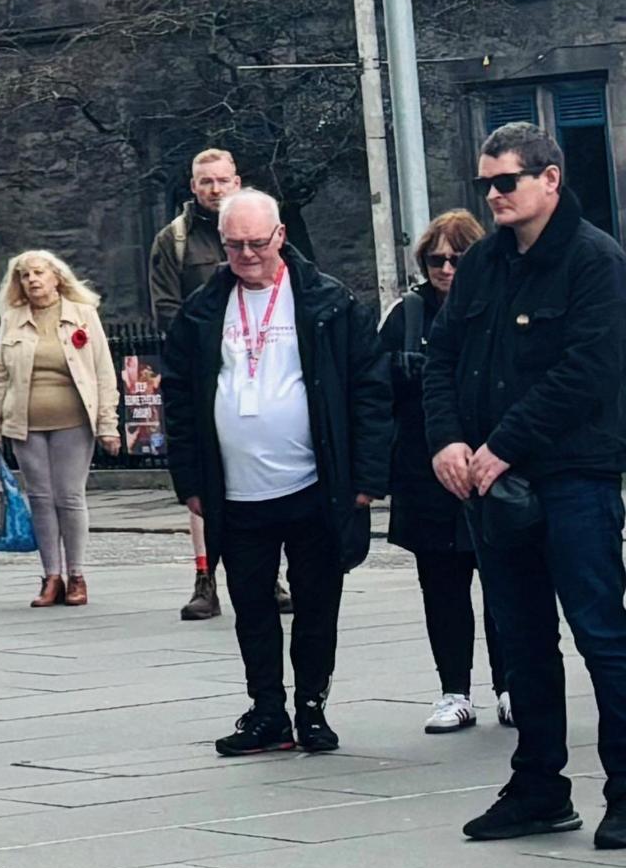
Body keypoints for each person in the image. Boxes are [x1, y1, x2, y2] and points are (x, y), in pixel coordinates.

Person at [425, 124, 626, 847]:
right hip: (491, 484)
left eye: (505, 180)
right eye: (485, 184)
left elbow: (589, 371)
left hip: (573, 475)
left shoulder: (594, 260)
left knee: (603, 636)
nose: (494, 195)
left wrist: (502, 444)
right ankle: (539, 787)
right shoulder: (481, 264)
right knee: (522, 638)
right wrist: (447, 439)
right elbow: (441, 357)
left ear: (550, 178)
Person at [157, 190, 381, 758]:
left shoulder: (329, 301)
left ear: (280, 236)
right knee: (252, 608)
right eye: (235, 245)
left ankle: (312, 708)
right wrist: (190, 482)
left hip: (313, 485)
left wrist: (366, 477)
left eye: (258, 242)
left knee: (315, 605)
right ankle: (267, 711)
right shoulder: (204, 310)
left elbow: (369, 390)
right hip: (235, 490)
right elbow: (179, 399)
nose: (248, 255)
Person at [366, 210, 491, 733]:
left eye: (456, 259)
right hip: (426, 475)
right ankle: (454, 689)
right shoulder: (408, 316)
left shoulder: (495, 307)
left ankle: (511, 685)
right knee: (441, 589)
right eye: (435, 259)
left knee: (508, 588)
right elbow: (379, 394)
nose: (445, 268)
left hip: (492, 469)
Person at [0, 251, 117, 607]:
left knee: (69, 496)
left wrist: (109, 424)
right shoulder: (12, 320)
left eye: (38, 273)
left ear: (57, 277)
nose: (32, 280)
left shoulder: (83, 316)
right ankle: (51, 577)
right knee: (41, 499)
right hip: (24, 424)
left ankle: (77, 575)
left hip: (73, 421)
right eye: (24, 275)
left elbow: (104, 372)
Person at [149, 148, 245, 622]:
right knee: (203, 476)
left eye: (222, 180)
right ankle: (205, 577)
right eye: (205, 181)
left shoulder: (259, 231)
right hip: (201, 373)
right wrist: (208, 341)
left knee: (255, 467)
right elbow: (166, 308)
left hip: (255, 371)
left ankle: (267, 574)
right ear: (193, 186)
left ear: (236, 182)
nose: (214, 189)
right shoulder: (176, 240)